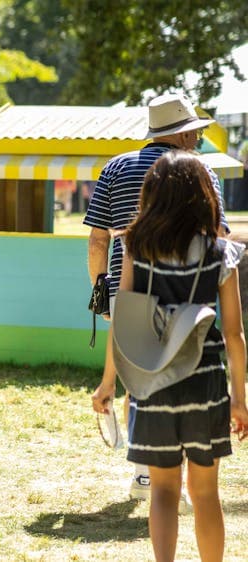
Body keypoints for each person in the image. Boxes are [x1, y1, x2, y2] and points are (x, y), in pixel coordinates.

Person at [93, 151, 248, 562]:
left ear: (152, 195)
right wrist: (239, 400)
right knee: (205, 493)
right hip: (206, 382)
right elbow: (234, 334)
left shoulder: (136, 248)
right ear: (204, 196)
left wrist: (110, 382)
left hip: (153, 380)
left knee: (162, 491)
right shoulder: (221, 252)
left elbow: (125, 322)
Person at [86, 92, 228, 505]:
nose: (198, 138)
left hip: (126, 282)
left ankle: (146, 474)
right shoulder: (201, 170)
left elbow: (98, 238)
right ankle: (172, 475)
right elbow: (217, 236)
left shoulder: (115, 166)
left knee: (139, 374)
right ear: (182, 136)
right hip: (187, 289)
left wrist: (102, 287)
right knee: (181, 375)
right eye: (195, 132)